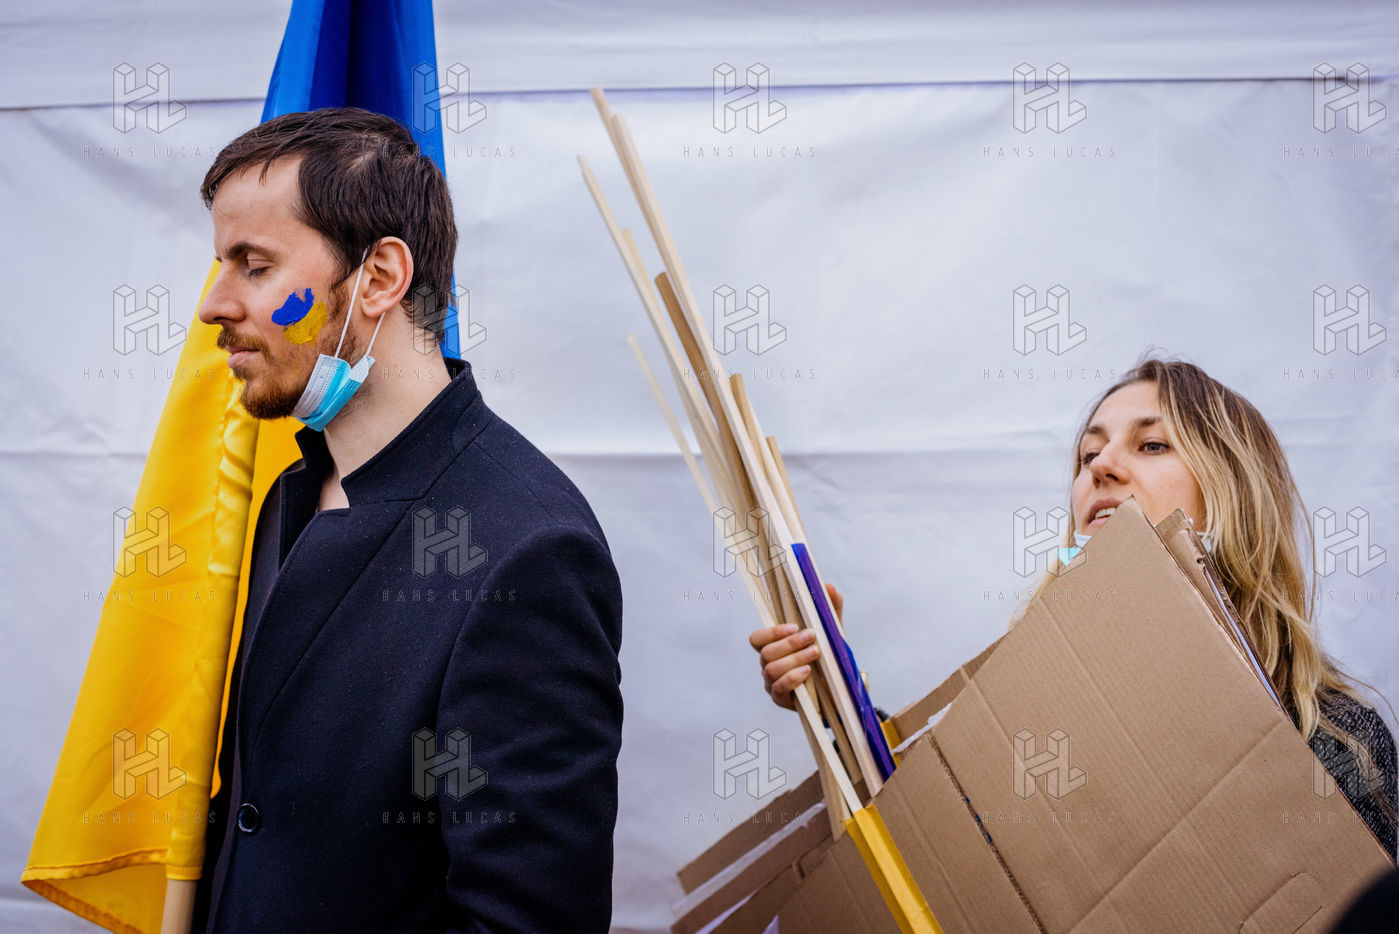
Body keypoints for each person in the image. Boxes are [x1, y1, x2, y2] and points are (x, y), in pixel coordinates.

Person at [188, 107, 624, 931]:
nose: (213, 305)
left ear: (381, 276)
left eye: (254, 265)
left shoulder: (528, 549)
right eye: (221, 265)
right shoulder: (288, 494)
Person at [750, 358, 1397, 859]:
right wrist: (835, 693)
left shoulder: (1335, 742)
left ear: (1234, 493)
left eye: (1150, 445)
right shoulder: (1033, 722)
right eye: (1088, 455)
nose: (1100, 467)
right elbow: (934, 840)